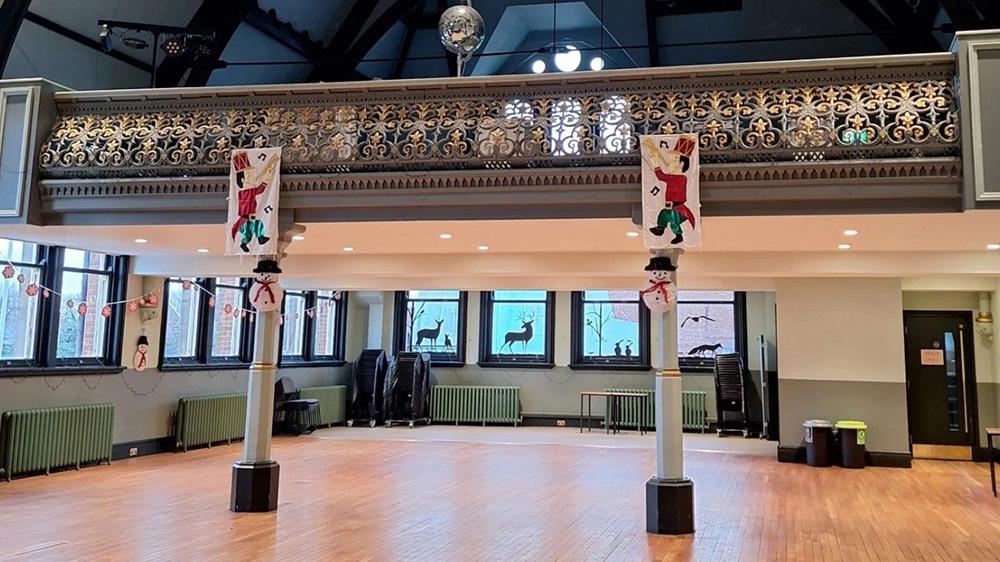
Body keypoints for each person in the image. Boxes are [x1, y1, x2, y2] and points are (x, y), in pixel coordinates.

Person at [647, 136, 696, 245]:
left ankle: (679, 236)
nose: (670, 163)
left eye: (674, 160)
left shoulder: (679, 178)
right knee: (663, 214)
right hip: (671, 207)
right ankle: (660, 228)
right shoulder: (674, 177)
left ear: (681, 164)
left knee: (674, 220)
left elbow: (661, 176)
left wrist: (656, 164)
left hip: (677, 208)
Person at [230, 151, 274, 252]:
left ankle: (256, 239)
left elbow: (260, 189)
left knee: (256, 225)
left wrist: (268, 175)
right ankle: (251, 241)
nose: (252, 179)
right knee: (251, 228)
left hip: (249, 216)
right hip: (246, 217)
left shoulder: (249, 191)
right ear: (243, 180)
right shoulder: (245, 192)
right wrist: (249, 215)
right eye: (249, 176)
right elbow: (259, 190)